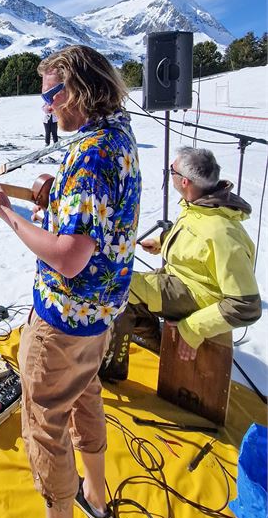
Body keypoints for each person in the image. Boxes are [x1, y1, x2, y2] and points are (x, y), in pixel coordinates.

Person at [0, 45, 141, 518]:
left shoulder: (89, 153)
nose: (47, 107)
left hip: (63, 320)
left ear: (76, 89)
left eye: (51, 95)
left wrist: (10, 217)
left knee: (45, 426)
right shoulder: (115, 133)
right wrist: (61, 190)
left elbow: (70, 257)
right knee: (85, 395)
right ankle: (96, 498)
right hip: (97, 318)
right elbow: (98, 209)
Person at [100, 147, 260, 380]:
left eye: (171, 171)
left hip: (198, 296)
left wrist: (193, 328)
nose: (169, 175)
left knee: (120, 286)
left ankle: (111, 369)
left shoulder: (223, 234)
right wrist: (163, 242)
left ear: (184, 181)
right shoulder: (201, 204)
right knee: (127, 290)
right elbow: (195, 240)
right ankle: (159, 341)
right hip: (183, 281)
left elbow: (246, 306)